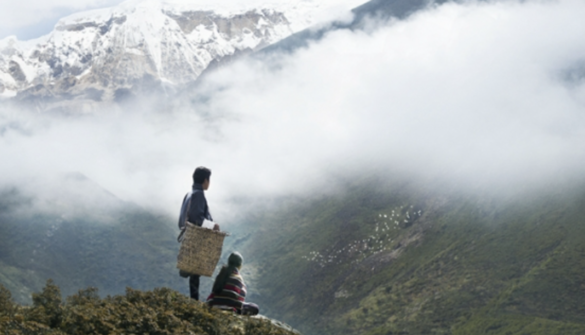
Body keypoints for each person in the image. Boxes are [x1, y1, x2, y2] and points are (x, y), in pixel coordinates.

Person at [178, 166, 220, 301]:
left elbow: (183, 219)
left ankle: (193, 301)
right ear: (205, 180)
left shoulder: (189, 194)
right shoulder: (199, 195)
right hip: (197, 239)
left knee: (193, 273)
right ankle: (194, 302)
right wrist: (213, 226)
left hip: (189, 237)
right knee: (196, 273)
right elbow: (197, 218)